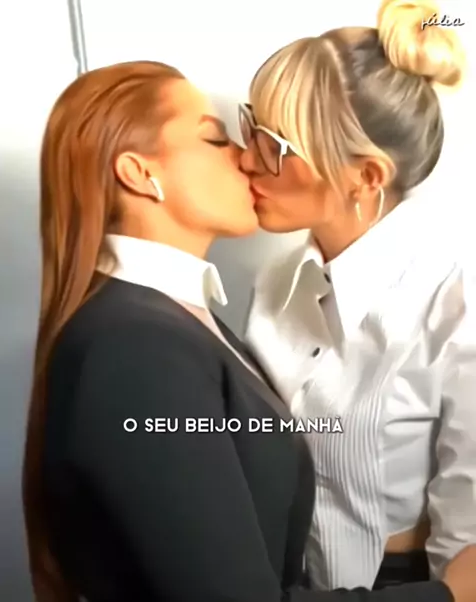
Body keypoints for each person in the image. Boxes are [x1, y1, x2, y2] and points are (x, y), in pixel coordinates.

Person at [23, 59, 472, 602]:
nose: (245, 156)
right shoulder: (134, 348)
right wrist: (450, 596)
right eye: (216, 138)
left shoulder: (176, 319)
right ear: (140, 174)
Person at [240, 0, 475, 596]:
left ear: (366, 176)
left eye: (273, 146)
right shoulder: (275, 283)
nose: (246, 160)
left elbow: (468, 545)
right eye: (249, 127)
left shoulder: (457, 297)